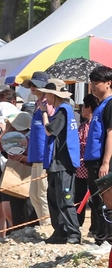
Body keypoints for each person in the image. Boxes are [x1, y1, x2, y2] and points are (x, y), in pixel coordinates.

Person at [39, 77, 82, 244]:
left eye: (48, 95)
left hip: (63, 163)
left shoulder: (63, 110)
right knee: (53, 198)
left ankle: (73, 234)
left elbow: (50, 131)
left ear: (55, 95)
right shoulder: (62, 110)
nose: (46, 98)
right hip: (56, 163)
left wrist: (44, 112)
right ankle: (60, 232)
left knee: (65, 200)